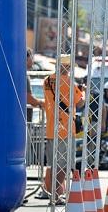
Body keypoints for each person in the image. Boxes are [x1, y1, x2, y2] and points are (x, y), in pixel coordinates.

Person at [39, 54, 84, 204]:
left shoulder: (46, 81)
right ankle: (55, 195)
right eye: (70, 66)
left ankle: (54, 193)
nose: (71, 69)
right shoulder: (69, 82)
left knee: (54, 164)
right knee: (64, 165)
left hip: (52, 128)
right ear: (66, 66)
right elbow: (80, 103)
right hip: (65, 128)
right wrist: (82, 91)